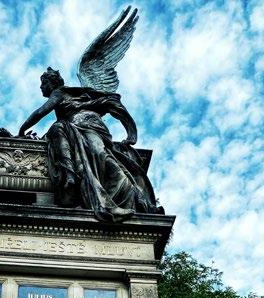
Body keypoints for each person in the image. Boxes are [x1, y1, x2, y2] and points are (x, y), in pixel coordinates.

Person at [18, 67, 163, 222]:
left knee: (99, 154)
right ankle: (126, 197)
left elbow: (40, 112)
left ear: (52, 83)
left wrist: (22, 130)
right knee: (101, 156)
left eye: (43, 83)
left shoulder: (59, 93)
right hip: (90, 126)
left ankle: (126, 197)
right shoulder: (75, 95)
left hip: (86, 125)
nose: (41, 87)